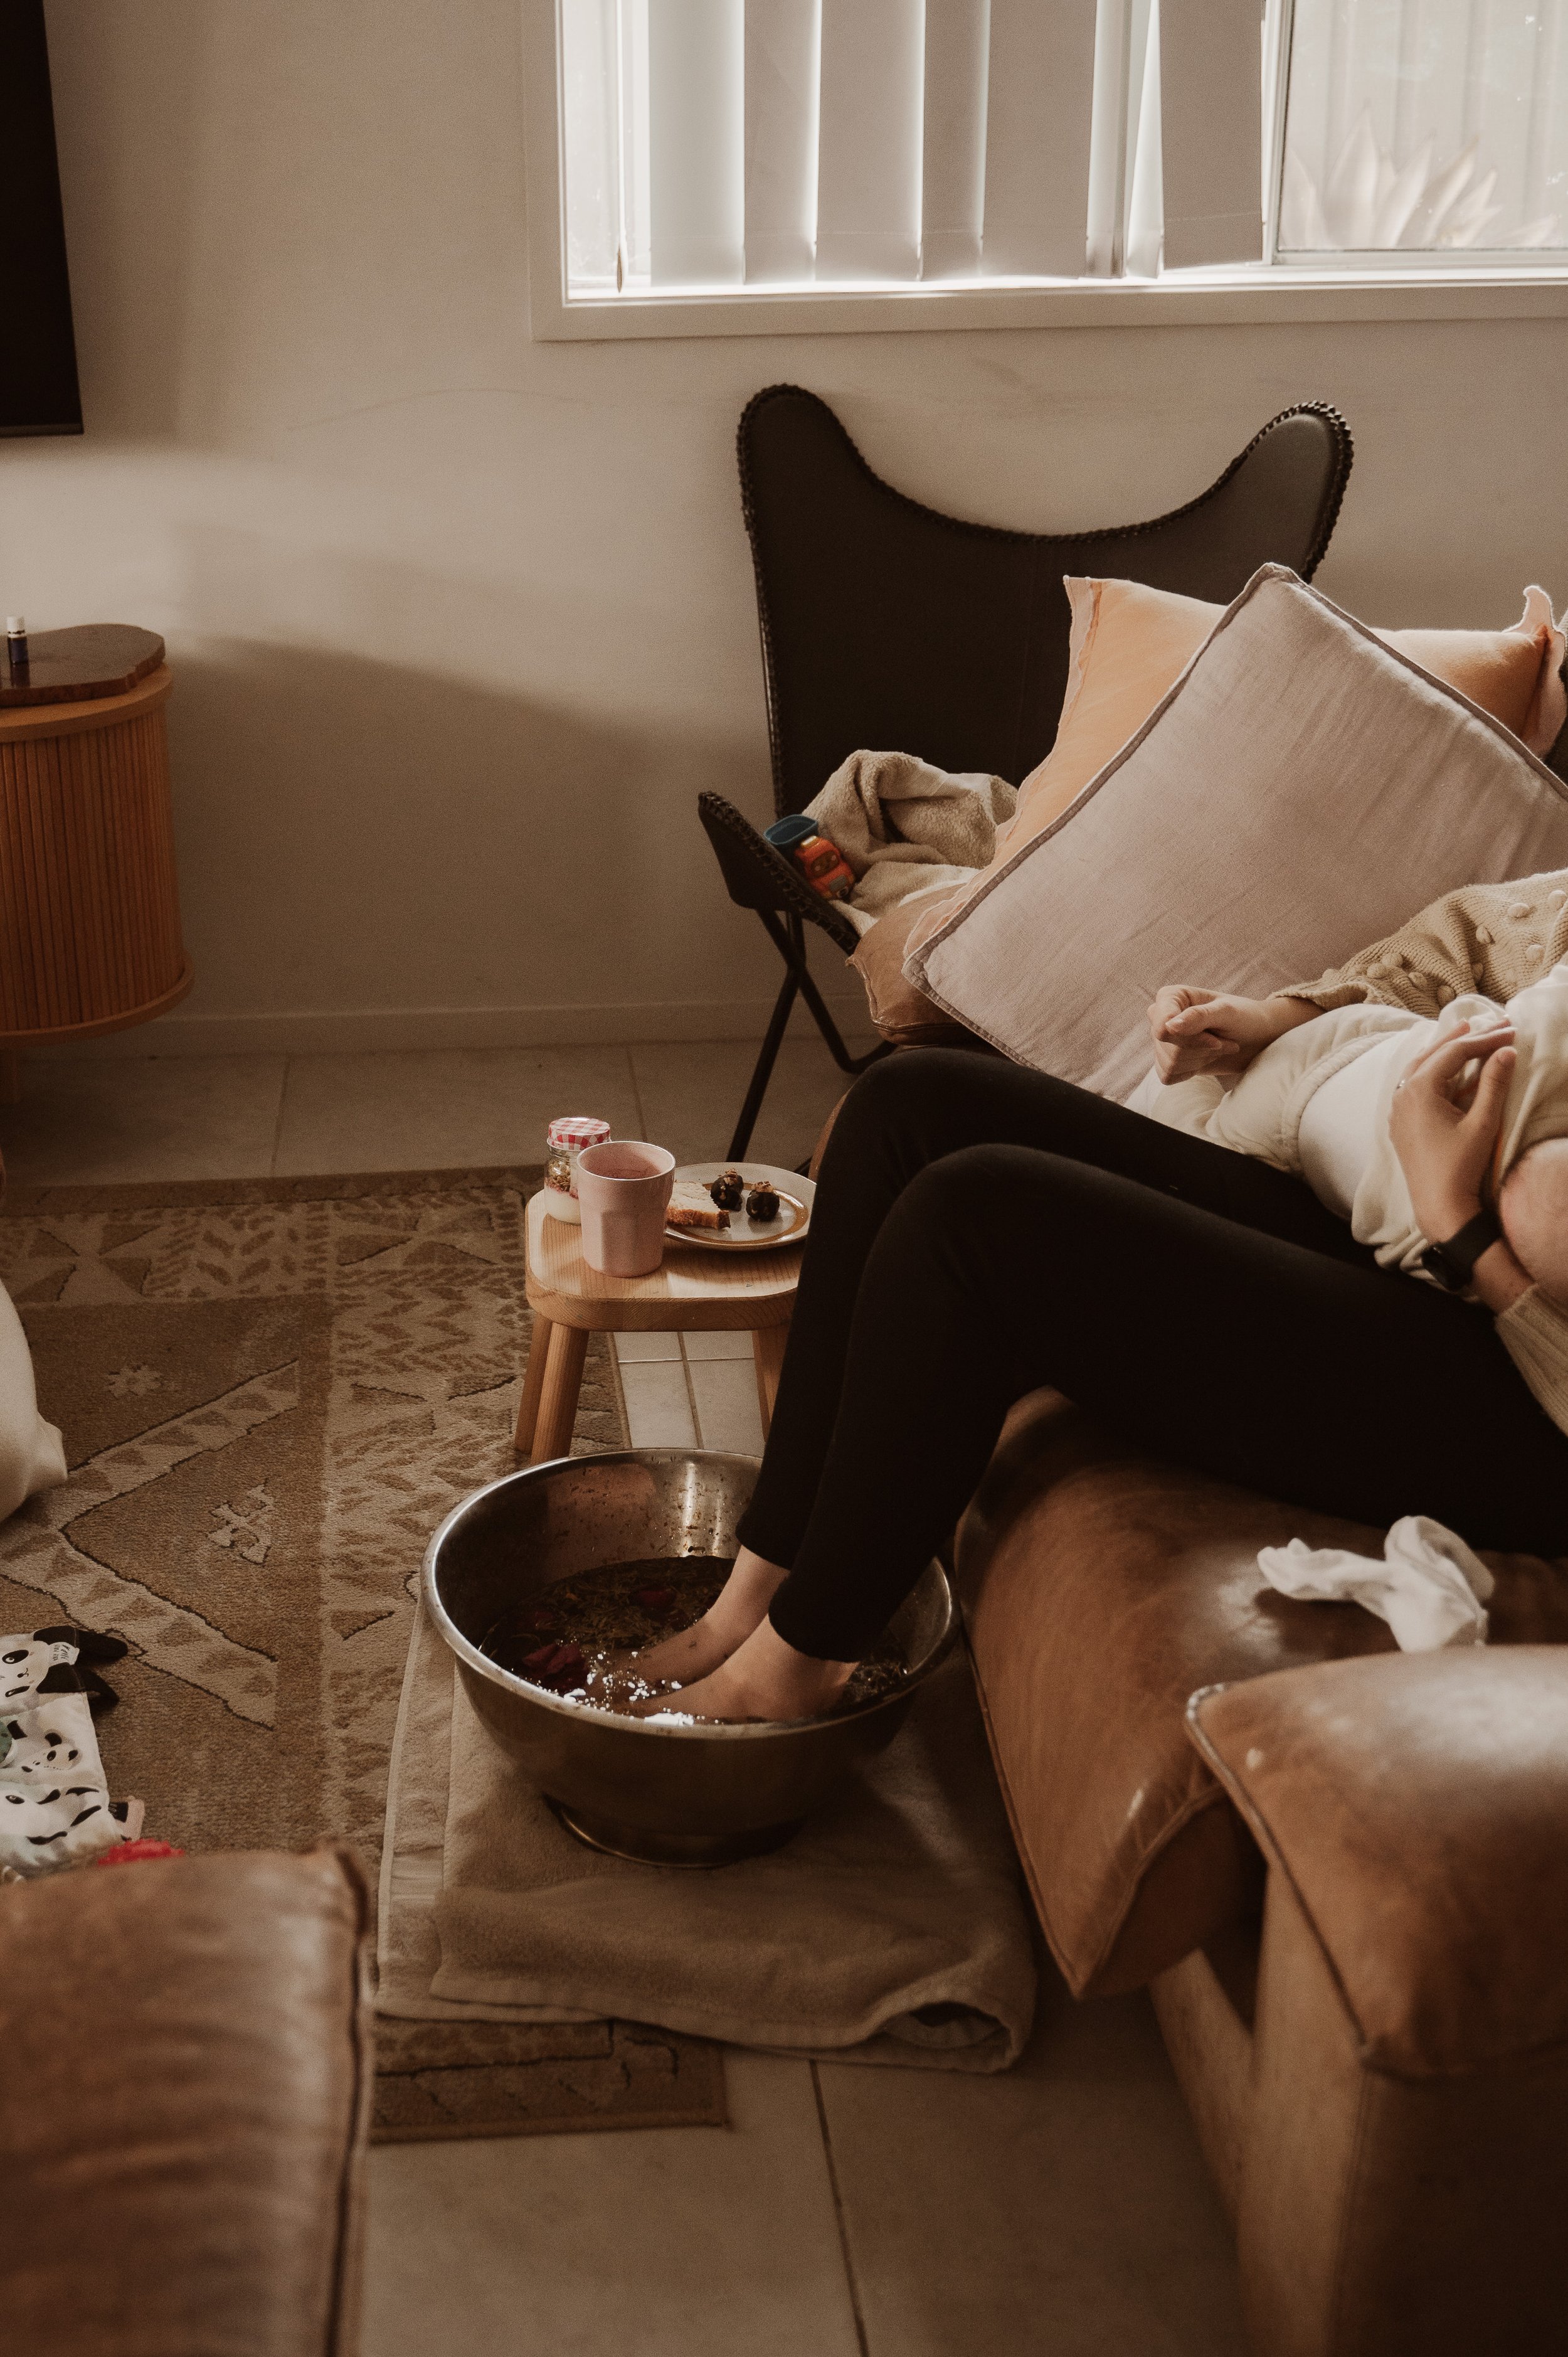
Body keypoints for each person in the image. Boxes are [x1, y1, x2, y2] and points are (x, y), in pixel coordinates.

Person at [623, 870, 1568, 1725]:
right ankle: (756, 1590)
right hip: (1395, 1224)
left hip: (1516, 1379)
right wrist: (1275, 1018)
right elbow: (1477, 938)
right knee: (907, 1106)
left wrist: (1460, 1229)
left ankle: (794, 1669)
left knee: (977, 1215)